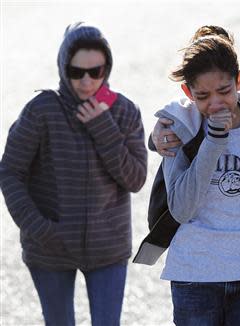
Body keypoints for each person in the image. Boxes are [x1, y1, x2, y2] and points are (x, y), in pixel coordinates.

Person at [0, 22, 147, 326]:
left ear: (107, 67)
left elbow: (135, 179)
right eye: (77, 72)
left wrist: (103, 127)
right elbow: (9, 172)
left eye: (96, 72)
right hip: (49, 249)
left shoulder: (124, 112)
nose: (86, 81)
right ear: (63, 67)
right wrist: (40, 228)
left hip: (108, 249)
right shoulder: (41, 111)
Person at [134, 30, 240, 326]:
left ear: (239, 81)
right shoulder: (178, 126)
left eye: (225, 91)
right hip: (195, 275)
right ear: (189, 93)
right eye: (202, 96)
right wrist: (214, 141)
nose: (215, 103)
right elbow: (181, 208)